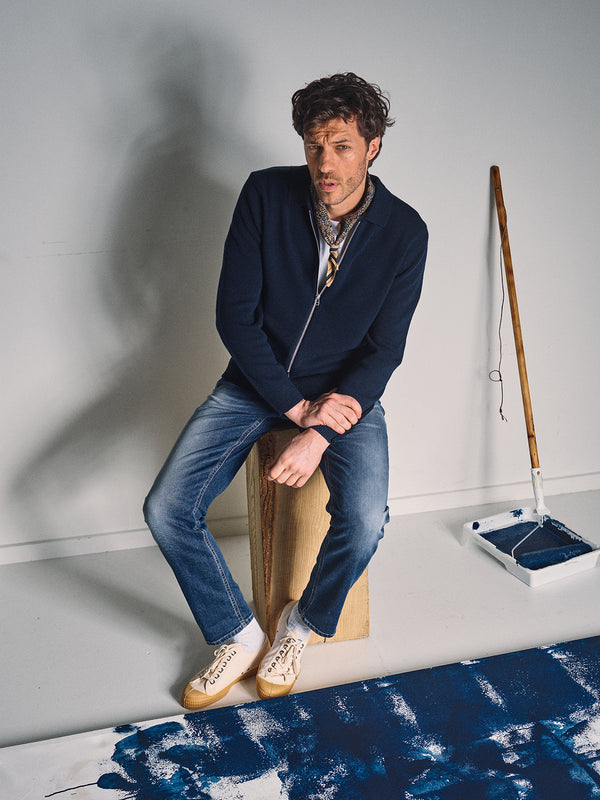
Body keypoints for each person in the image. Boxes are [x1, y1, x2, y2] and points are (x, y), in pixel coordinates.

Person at [143, 72, 428, 710]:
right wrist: (297, 409)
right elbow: (234, 317)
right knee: (167, 508)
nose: (325, 163)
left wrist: (323, 429)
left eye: (342, 146)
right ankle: (236, 633)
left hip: (346, 398)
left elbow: (385, 349)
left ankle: (300, 625)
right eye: (314, 145)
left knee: (363, 519)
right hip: (254, 384)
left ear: (373, 145)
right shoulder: (265, 195)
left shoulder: (406, 233)